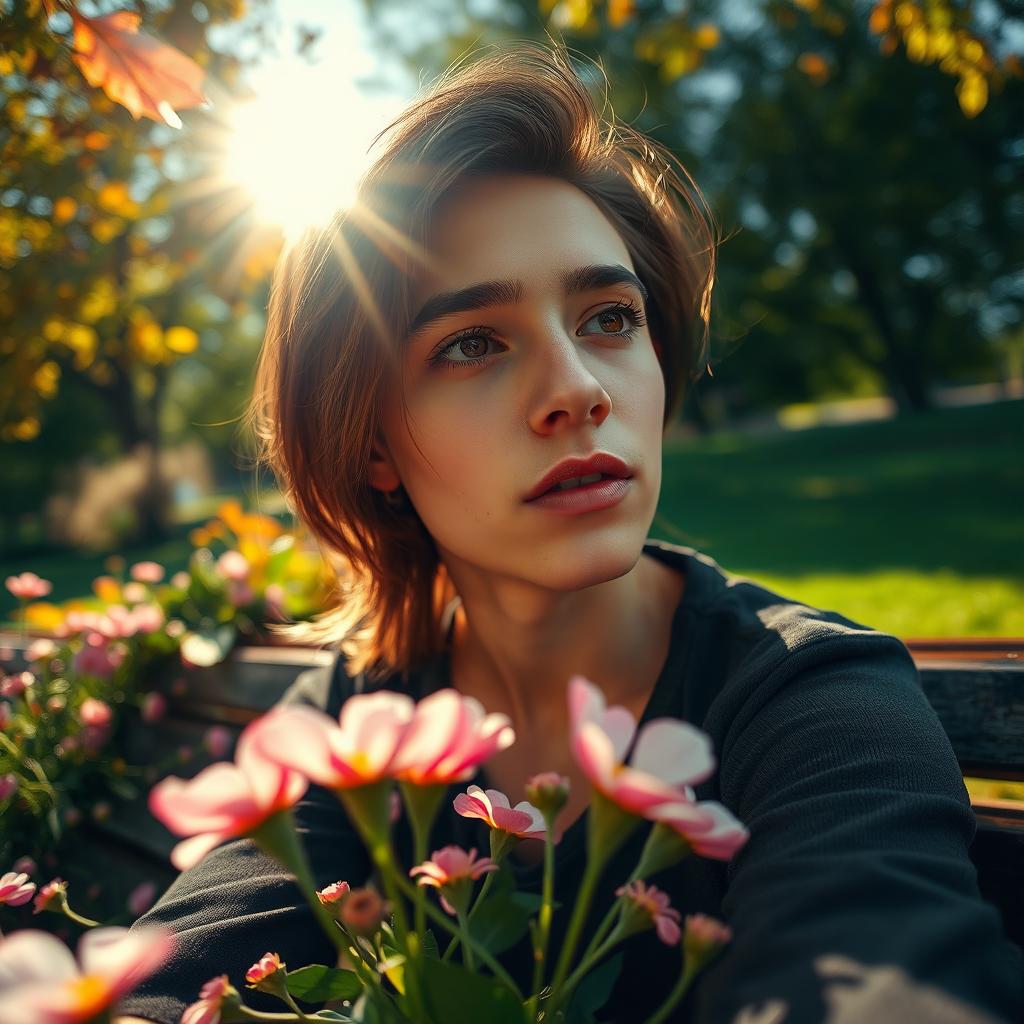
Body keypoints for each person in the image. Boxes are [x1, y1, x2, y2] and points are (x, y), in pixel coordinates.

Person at [117, 40, 1023, 1024]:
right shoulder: (368, 711)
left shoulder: (813, 701)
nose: (578, 391)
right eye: (472, 342)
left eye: (607, 317)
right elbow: (162, 986)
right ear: (370, 441)